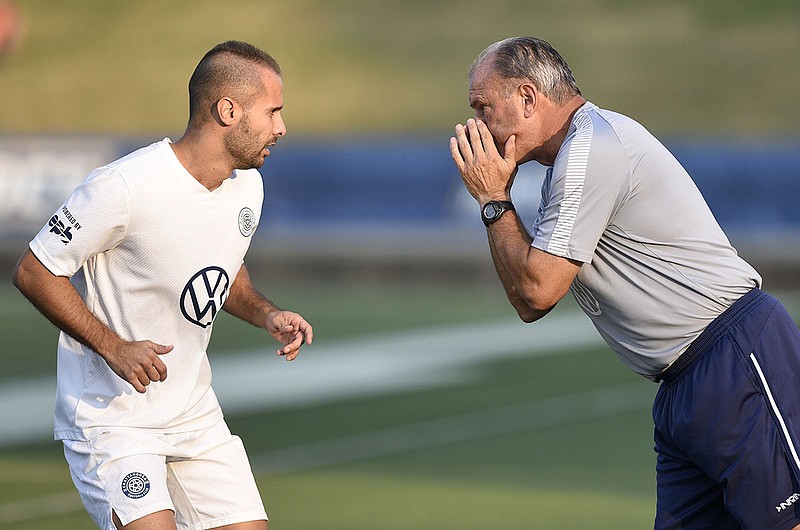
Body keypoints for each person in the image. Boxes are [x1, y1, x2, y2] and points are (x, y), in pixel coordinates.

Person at [449, 36, 800, 529]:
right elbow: (528, 300)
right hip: (682, 385)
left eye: (483, 107)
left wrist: (492, 198)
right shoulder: (572, 160)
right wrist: (495, 200)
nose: (476, 125)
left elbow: (538, 290)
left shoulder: (592, 146)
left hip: (734, 356)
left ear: (528, 98)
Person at [12, 40, 313, 530]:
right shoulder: (123, 187)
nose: (281, 127)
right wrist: (114, 347)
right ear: (228, 110)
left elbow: (223, 267)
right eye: (272, 112)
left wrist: (265, 313)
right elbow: (34, 269)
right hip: (113, 420)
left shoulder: (248, 185)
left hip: (195, 415)